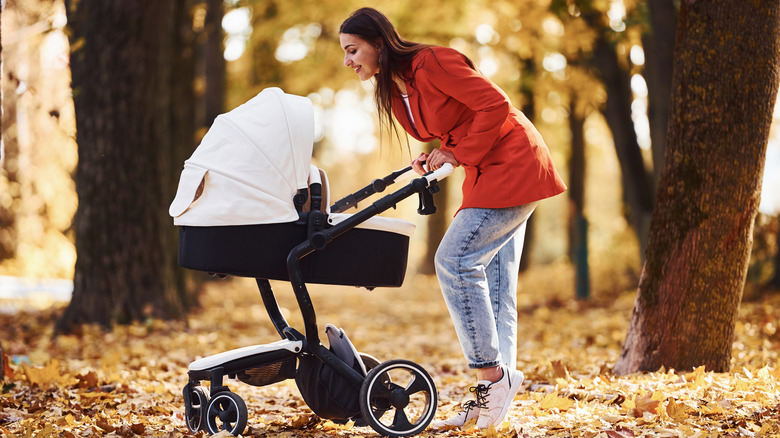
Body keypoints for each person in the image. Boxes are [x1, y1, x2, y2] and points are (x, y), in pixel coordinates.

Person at [339, 7, 567, 430]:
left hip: (514, 162)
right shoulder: (392, 91)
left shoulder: (434, 63)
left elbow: (495, 105)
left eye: (353, 50)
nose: (348, 61)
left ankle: (490, 377)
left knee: (454, 260)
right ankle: (493, 402)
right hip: (484, 172)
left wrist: (457, 152)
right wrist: (437, 153)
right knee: (496, 287)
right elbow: (455, 126)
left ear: (379, 43)